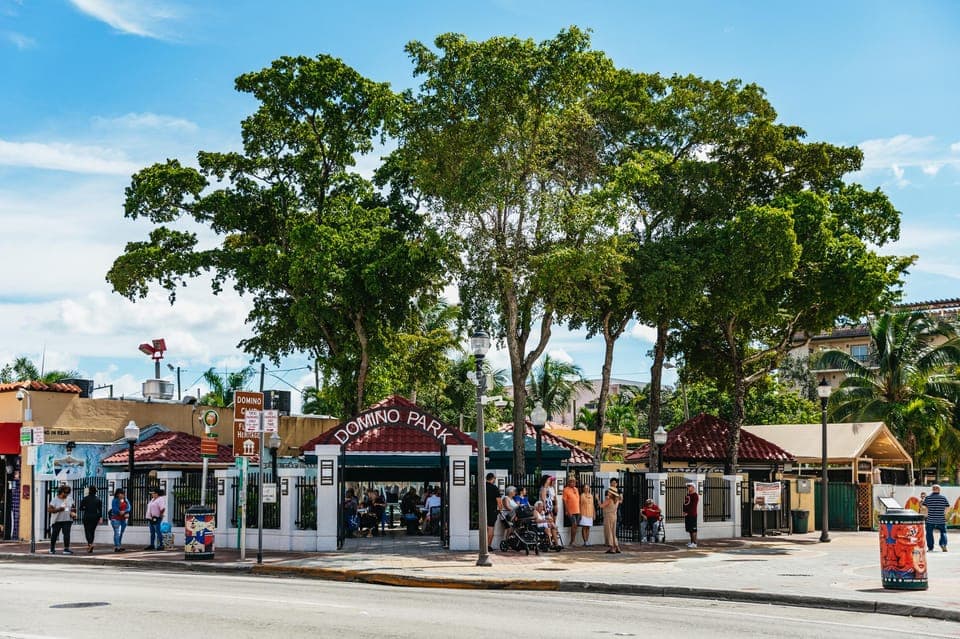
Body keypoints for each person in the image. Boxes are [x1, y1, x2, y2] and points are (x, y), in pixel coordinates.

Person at [47, 484, 75, 555]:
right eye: (65, 492)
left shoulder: (70, 499)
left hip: (67, 520)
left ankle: (66, 549)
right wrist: (58, 509)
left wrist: (74, 513)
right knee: (54, 535)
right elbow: (49, 509)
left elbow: (73, 507)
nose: (66, 494)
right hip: (57, 521)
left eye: (67, 493)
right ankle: (52, 549)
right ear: (60, 492)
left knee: (67, 534)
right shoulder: (55, 500)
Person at [922, 485, 950, 552]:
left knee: (929, 533)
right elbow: (947, 507)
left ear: (932, 490)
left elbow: (924, 508)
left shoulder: (928, 498)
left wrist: (926, 515)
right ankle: (943, 544)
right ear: (939, 490)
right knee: (943, 532)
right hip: (941, 519)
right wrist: (944, 514)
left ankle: (930, 548)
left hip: (930, 519)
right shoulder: (943, 498)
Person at [79, 485, 102, 553]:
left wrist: (86, 508)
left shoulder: (85, 498)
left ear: (89, 491)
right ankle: (90, 545)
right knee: (92, 531)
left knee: (87, 531)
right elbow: (100, 510)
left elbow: (81, 508)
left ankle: (90, 544)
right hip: (95, 517)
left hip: (87, 516)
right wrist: (100, 518)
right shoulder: (98, 499)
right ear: (95, 492)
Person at [109, 488, 131, 552]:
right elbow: (114, 508)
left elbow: (129, 507)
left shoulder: (125, 500)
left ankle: (119, 545)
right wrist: (119, 512)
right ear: (117, 494)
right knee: (117, 533)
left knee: (121, 533)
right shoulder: (115, 500)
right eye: (120, 494)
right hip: (116, 519)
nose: (121, 495)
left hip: (123, 519)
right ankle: (117, 546)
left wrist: (125, 511)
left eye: (122, 494)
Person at [600, 486, 621, 553]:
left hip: (608, 516)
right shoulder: (617, 500)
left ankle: (612, 548)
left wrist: (597, 499)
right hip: (614, 516)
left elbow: (601, 506)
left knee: (609, 531)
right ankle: (617, 547)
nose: (608, 493)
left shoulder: (609, 500)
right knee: (613, 532)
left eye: (609, 492)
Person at [562, 476, 581, 546]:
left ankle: (573, 540)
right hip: (571, 511)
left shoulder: (576, 489)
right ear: (569, 482)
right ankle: (572, 541)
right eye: (572, 482)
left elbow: (578, 501)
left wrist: (580, 510)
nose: (574, 483)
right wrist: (567, 511)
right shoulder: (566, 490)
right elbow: (564, 501)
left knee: (576, 526)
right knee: (574, 524)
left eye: (574, 482)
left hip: (577, 511)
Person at [485, 473, 500, 551]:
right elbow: (499, 501)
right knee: (490, 529)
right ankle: (488, 546)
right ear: (493, 478)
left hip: (482, 511)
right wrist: (500, 509)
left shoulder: (482, 487)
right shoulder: (494, 488)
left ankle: (483, 545)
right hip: (492, 510)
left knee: (484, 528)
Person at [683, 482, 699, 548]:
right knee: (689, 529)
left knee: (693, 529)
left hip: (692, 514)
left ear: (693, 487)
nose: (688, 487)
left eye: (689, 486)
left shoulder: (695, 495)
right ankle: (691, 542)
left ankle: (694, 543)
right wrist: (684, 511)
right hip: (687, 514)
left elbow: (693, 506)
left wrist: (688, 512)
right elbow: (685, 504)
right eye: (688, 486)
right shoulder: (688, 495)